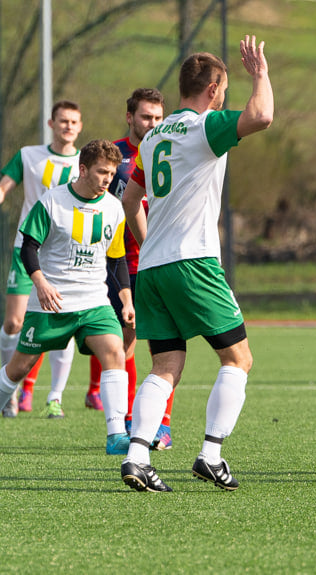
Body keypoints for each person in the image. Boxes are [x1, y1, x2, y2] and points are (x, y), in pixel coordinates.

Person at [119, 35, 273, 493]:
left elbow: (130, 199)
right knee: (238, 358)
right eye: (223, 89)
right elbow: (261, 116)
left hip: (152, 267)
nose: (223, 97)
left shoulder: (151, 139)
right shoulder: (203, 127)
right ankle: (210, 453)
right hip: (193, 262)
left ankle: (137, 457)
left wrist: (151, 245)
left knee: (165, 365)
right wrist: (261, 74)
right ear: (212, 89)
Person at [0, 139, 135, 454]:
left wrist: (127, 301)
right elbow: (28, 249)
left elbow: (116, 261)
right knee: (18, 368)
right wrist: (41, 284)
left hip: (93, 302)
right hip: (52, 303)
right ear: (83, 168)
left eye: (112, 174)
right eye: (102, 172)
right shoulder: (51, 202)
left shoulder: (114, 208)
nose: (107, 179)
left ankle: (116, 436)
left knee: (114, 352)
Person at [88, 88, 175, 450]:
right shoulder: (115, 155)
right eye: (145, 117)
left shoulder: (171, 150)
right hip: (121, 263)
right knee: (124, 341)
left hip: (162, 260)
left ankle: (161, 426)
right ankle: (126, 420)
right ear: (130, 117)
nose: (152, 123)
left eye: (157, 117)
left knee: (166, 345)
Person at [0, 101, 82, 418]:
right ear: (51, 123)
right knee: (13, 322)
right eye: (63, 121)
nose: (68, 126)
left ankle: (56, 396)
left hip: (63, 255)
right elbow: (5, 185)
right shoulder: (28, 155)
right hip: (28, 247)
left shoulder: (82, 162)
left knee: (61, 324)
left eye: (74, 121)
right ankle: (10, 389)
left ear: (80, 126)